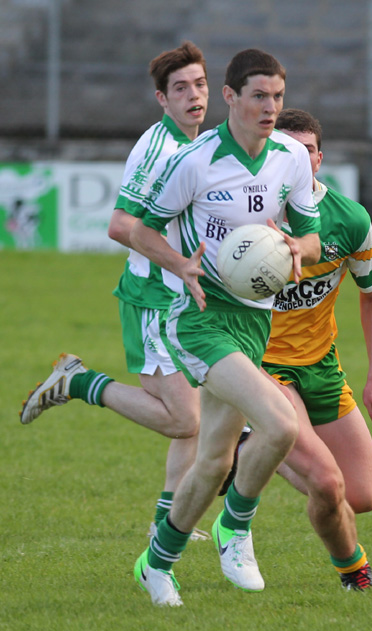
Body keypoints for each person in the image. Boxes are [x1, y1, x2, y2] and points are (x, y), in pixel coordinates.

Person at [129, 49, 321, 607]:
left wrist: (295, 248)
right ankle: (235, 527)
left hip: (255, 320)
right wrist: (180, 264)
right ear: (232, 97)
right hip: (201, 318)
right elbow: (140, 230)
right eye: (259, 96)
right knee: (280, 425)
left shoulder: (289, 156)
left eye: (278, 97)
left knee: (214, 458)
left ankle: (156, 562)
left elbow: (311, 236)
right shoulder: (196, 159)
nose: (270, 107)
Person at [19, 41, 211, 540]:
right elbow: (120, 225)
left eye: (200, 84)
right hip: (154, 297)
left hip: (186, 296)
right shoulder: (157, 148)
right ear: (161, 98)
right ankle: (76, 381)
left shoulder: (201, 142)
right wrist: (181, 267)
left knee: (200, 413)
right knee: (185, 421)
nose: (194, 95)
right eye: (181, 88)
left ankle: (168, 522)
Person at [260, 108, 372, 590]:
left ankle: (256, 450)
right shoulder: (251, 215)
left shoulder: (349, 219)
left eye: (306, 151)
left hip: (321, 366)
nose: (297, 160)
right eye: (286, 151)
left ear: (320, 158)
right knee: (326, 482)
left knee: (362, 495)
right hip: (262, 368)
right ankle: (355, 572)